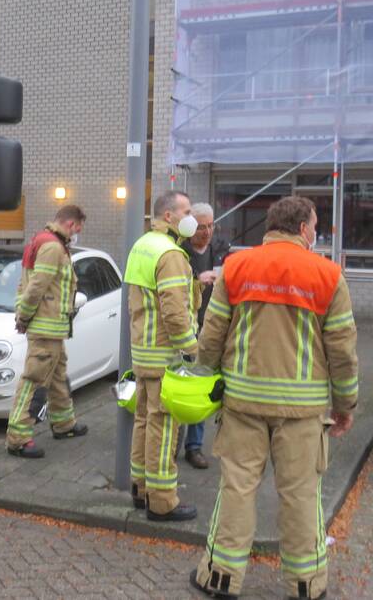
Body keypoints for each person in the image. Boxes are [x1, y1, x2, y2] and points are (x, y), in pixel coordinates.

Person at [191, 196, 359, 600]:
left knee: (236, 489)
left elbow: (211, 335)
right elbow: (343, 351)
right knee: (301, 495)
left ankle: (220, 578)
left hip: (243, 403)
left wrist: (209, 376)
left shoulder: (236, 267)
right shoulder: (328, 275)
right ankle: (305, 585)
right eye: (315, 226)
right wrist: (345, 404)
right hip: (302, 413)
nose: (315, 232)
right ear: (303, 228)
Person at [124, 190, 200, 522]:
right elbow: (174, 311)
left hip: (143, 353)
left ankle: (140, 488)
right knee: (163, 427)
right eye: (186, 210)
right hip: (163, 355)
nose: (191, 216)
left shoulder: (143, 245)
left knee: (143, 421)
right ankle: (162, 500)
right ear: (168, 216)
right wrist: (191, 349)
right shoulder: (170, 254)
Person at [5, 205, 89, 458]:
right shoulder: (53, 247)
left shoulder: (40, 241)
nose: (77, 234)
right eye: (78, 229)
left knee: (57, 375)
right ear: (71, 224)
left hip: (51, 329)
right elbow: (37, 287)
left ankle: (64, 424)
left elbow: (25, 284)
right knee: (34, 381)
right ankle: (18, 438)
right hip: (47, 328)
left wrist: (23, 313)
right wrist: (24, 315)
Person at [183, 202, 230, 470]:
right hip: (190, 329)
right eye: (201, 226)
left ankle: (196, 445)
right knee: (191, 386)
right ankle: (189, 445)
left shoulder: (220, 250)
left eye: (211, 225)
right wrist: (197, 281)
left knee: (208, 388)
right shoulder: (180, 253)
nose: (207, 231)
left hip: (216, 328)